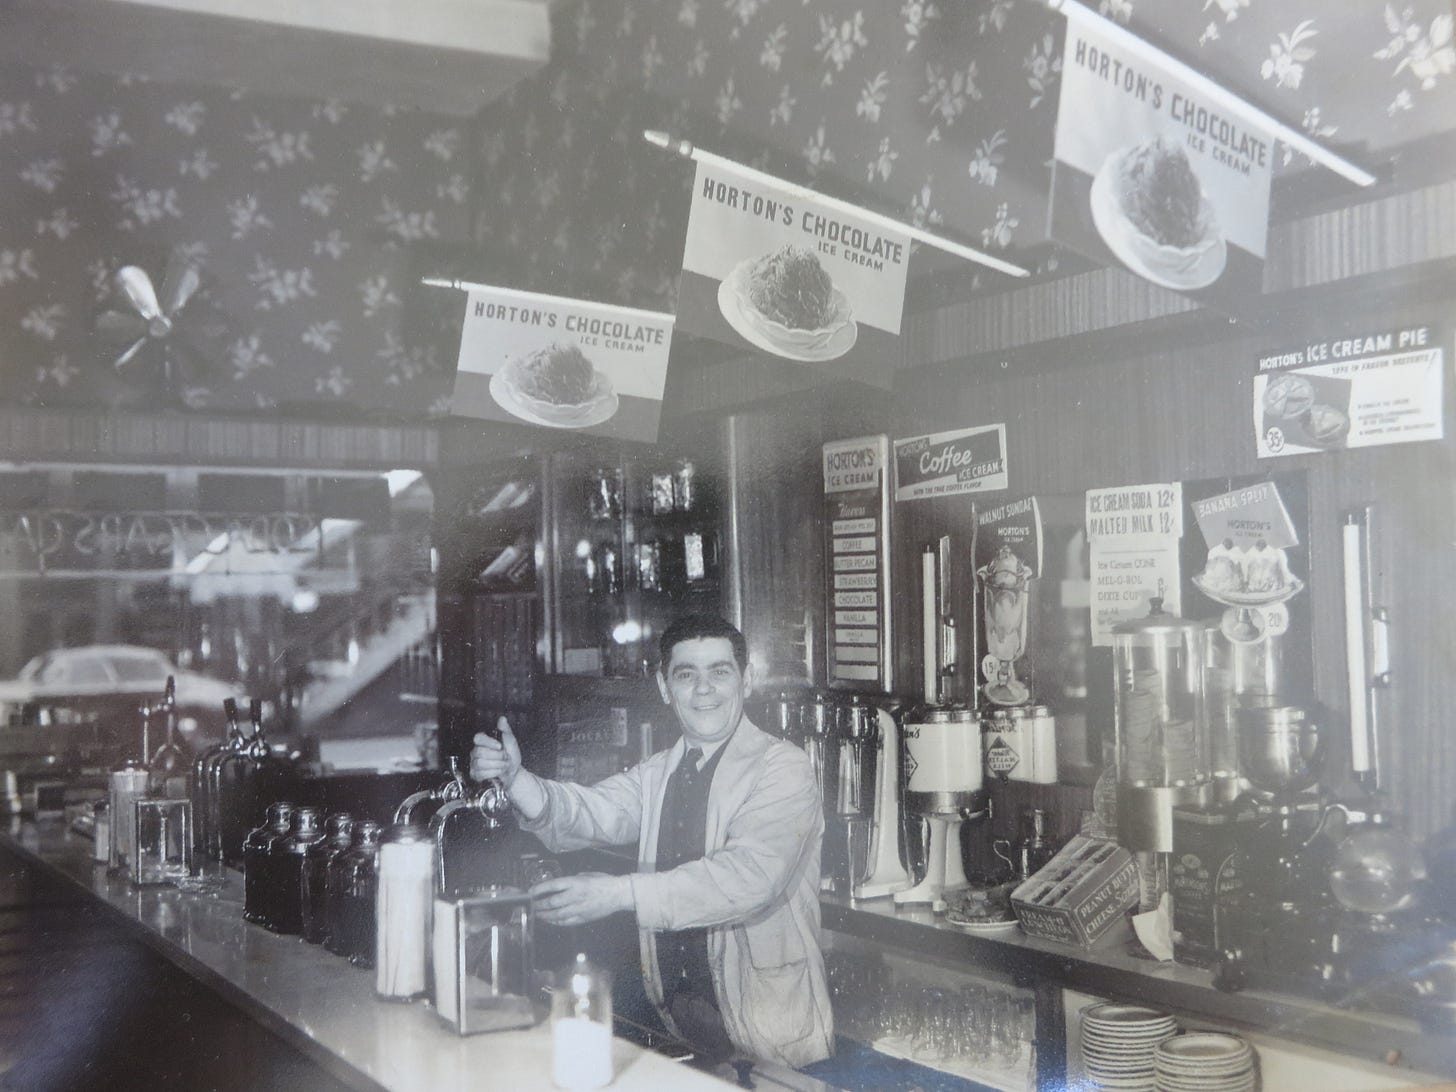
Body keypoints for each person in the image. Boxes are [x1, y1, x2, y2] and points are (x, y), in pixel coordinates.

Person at [470, 613, 833, 1069]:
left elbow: (748, 877)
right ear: (664, 688)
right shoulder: (661, 771)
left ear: (747, 680)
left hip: (771, 1041)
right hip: (684, 1026)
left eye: (720, 672)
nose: (704, 689)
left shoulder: (784, 768)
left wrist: (617, 893)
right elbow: (593, 812)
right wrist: (516, 778)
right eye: (687, 675)